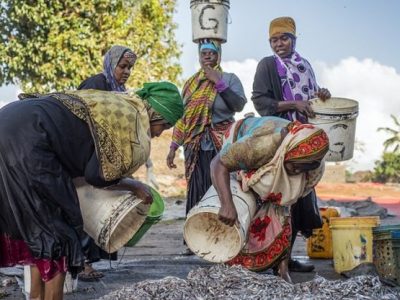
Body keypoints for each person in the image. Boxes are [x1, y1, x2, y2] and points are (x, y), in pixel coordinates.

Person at [0, 82, 183, 300]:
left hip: (9, 121)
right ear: (155, 115)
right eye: (164, 126)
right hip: (31, 140)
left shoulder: (116, 102)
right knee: (59, 235)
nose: (159, 134)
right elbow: (96, 175)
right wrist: (134, 185)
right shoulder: (132, 122)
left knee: (36, 230)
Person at [251, 16, 331, 273]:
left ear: (294, 39)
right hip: (280, 139)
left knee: (300, 199)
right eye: (274, 40)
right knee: (281, 198)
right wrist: (293, 105)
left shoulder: (304, 66)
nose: (279, 44)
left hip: (304, 139)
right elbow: (261, 101)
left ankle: (287, 256)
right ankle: (276, 260)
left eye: (284, 38)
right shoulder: (268, 65)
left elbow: (312, 100)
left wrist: (322, 95)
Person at [210, 116, 329, 283]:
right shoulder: (261, 146)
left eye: (301, 169)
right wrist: (227, 204)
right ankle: (233, 258)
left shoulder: (313, 167)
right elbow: (218, 165)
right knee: (242, 206)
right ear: (286, 154)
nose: (296, 172)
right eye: (294, 166)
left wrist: (284, 269)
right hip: (242, 140)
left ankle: (281, 269)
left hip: (276, 160)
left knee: (280, 211)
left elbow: (287, 208)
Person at [166, 39, 246, 254]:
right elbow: (183, 117)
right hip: (195, 144)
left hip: (222, 140)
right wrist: (173, 146)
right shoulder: (191, 84)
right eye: (204, 53)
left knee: (223, 188)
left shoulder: (229, 78)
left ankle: (224, 236)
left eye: (211, 52)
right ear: (199, 57)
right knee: (196, 189)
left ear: (218, 55)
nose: (207, 56)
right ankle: (194, 240)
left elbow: (238, 105)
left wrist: (218, 83)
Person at [77, 45, 137, 281]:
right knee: (87, 211)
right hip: (85, 158)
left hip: (99, 158)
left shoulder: (118, 90)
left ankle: (87, 263)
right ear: (111, 64)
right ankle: (82, 264)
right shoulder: (96, 84)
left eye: (130, 68)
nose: (126, 72)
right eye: (123, 66)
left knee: (98, 210)